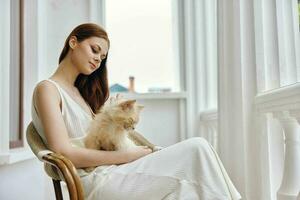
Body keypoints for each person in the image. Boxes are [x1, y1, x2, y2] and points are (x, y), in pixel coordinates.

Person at [32, 23, 241, 200]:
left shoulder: (80, 94)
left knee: (190, 185)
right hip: (93, 181)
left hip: (113, 171)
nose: (98, 59)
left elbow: (99, 140)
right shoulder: (48, 89)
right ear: (73, 42)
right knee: (198, 147)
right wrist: (126, 156)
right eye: (94, 50)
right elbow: (64, 153)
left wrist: (111, 116)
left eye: (102, 57)